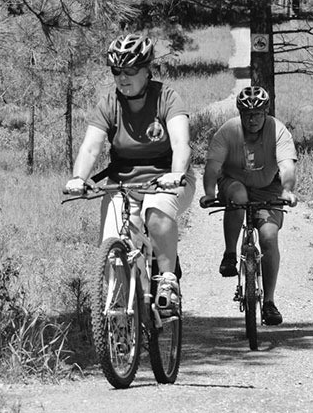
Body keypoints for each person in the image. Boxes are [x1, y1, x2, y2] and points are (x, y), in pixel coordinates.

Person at [64, 33, 196, 316]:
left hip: (167, 177)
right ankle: (120, 318)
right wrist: (78, 178)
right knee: (113, 247)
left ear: (147, 70)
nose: (123, 77)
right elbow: (90, 147)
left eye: (131, 70)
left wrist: (176, 173)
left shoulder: (167, 97)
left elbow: (181, 143)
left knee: (157, 210)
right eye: (116, 71)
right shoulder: (109, 103)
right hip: (123, 181)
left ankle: (168, 281)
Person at [199, 86, 298, 326]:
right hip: (234, 181)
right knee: (239, 197)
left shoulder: (278, 131)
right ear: (240, 113)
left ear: (266, 112)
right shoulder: (229, 131)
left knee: (269, 235)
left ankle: (269, 302)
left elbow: (287, 166)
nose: (252, 120)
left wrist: (287, 190)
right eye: (247, 114)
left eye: (257, 114)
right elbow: (212, 167)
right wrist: (209, 193)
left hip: (268, 187)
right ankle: (230, 254)